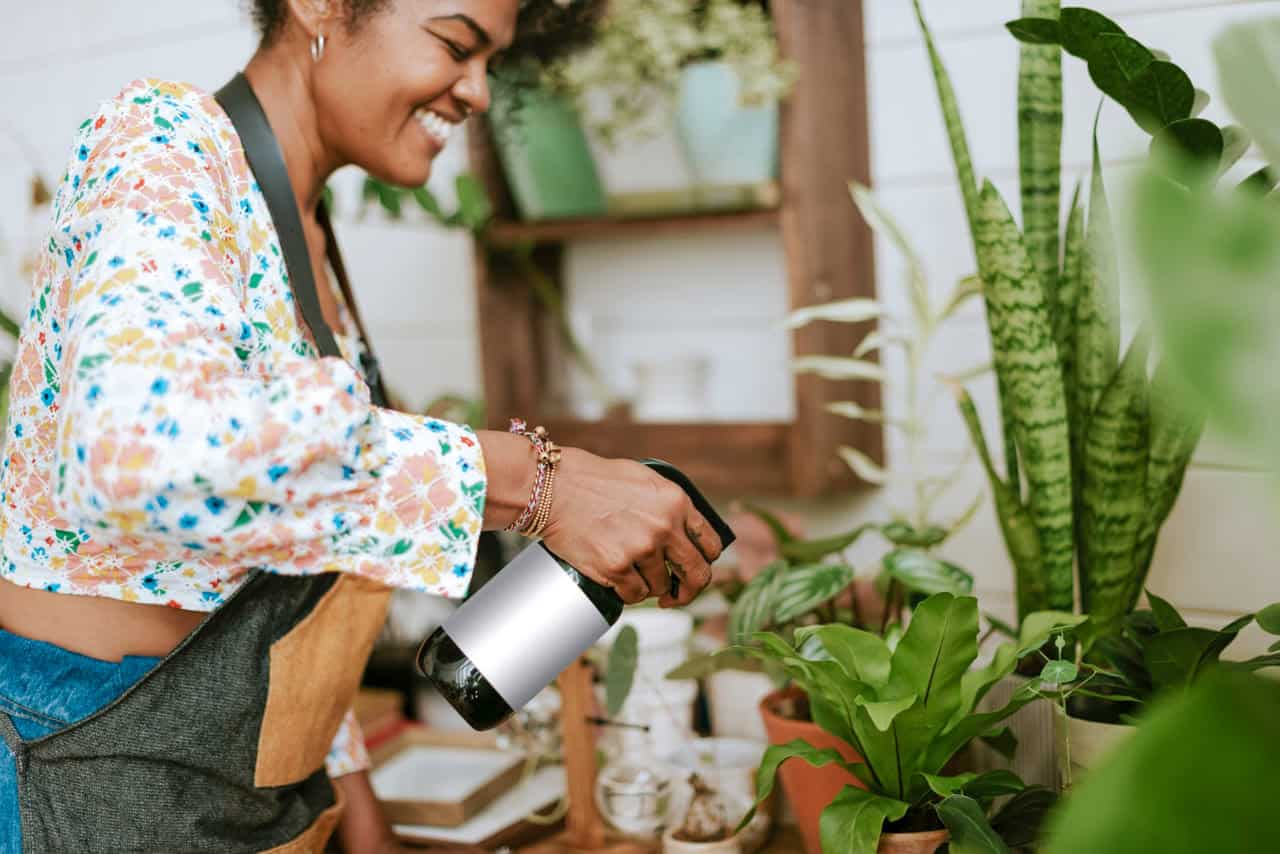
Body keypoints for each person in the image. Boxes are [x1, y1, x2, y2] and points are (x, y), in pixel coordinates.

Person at [0, 1, 723, 851]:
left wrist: (361, 815)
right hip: (101, 758)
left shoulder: (309, 232)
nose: (479, 92)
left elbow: (288, 577)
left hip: (257, 785)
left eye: (492, 61)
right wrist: (534, 482)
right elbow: (138, 453)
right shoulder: (163, 138)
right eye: (456, 45)